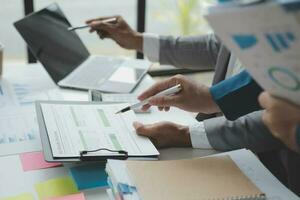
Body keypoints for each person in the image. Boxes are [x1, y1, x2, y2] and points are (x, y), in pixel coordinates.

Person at [86, 15, 282, 153]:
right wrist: (137, 41)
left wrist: (185, 134)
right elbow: (218, 45)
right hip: (215, 149)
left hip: (270, 166)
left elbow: (282, 116)